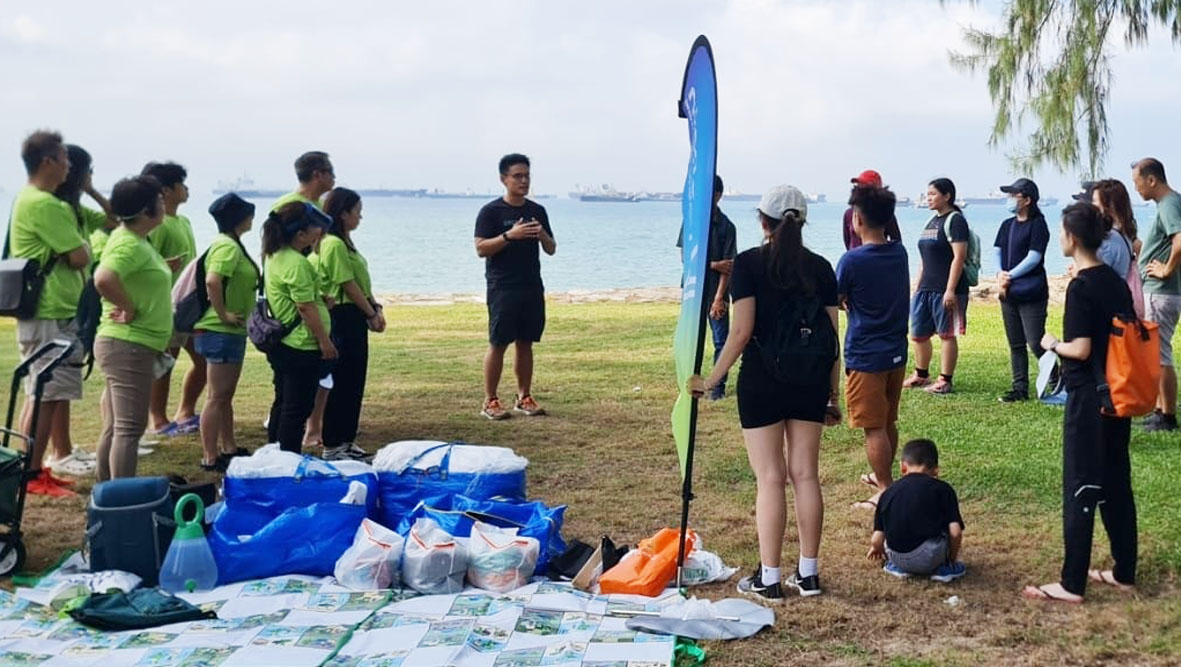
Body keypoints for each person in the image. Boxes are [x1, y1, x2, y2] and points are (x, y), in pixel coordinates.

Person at [691, 184, 841, 601]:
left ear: (763, 221)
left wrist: (712, 379)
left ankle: (770, 578)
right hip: (810, 380)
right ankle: (808, 575)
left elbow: (739, 333)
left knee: (770, 478)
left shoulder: (749, 264)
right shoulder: (822, 268)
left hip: (761, 380)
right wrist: (833, 396)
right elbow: (832, 340)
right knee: (806, 475)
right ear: (803, 222)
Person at [1023, 202, 1138, 603]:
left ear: (1071, 238)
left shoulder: (1082, 286)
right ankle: (1125, 571)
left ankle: (1072, 584)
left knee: (1081, 485)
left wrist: (1052, 343)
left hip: (1088, 398)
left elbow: (1082, 348)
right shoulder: (1114, 281)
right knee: (1116, 484)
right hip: (1118, 393)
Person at [7, 131, 90, 496]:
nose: (69, 166)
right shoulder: (45, 204)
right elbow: (80, 255)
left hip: (49, 310)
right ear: (47, 162)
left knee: (44, 392)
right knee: (43, 393)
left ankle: (35, 468)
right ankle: (31, 473)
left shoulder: (28, 199)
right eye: (64, 159)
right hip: (48, 311)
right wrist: (81, 244)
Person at [92, 175, 173, 481]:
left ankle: (106, 494)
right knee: (129, 429)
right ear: (144, 210)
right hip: (128, 345)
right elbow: (103, 278)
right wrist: (128, 307)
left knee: (116, 426)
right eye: (159, 201)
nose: (163, 205)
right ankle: (120, 501)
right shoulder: (128, 243)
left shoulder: (136, 241)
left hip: (129, 345)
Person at [836, 186, 909, 511]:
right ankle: (885, 478)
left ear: (858, 219)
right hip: (895, 351)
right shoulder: (900, 253)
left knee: (874, 426)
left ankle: (885, 489)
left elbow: (836, 298)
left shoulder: (852, 260)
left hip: (866, 355)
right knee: (887, 420)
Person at [44, 144, 114, 478]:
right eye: (89, 171)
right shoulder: (53, 208)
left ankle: (64, 449)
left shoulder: (76, 210)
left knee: (64, 384)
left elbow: (115, 219)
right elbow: (79, 257)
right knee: (50, 387)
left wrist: (91, 191)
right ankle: (57, 453)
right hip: (52, 306)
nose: (92, 176)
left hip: (69, 306)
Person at [474, 153, 557, 420]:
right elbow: (480, 248)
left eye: (527, 176)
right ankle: (491, 400)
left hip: (531, 285)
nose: (524, 181)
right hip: (502, 287)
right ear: (503, 179)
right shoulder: (491, 212)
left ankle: (524, 397)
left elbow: (551, 248)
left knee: (526, 342)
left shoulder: (537, 210)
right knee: (498, 342)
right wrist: (511, 235)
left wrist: (541, 233)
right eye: (518, 176)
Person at [270, 151, 335, 446]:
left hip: (290, 341)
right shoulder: (294, 260)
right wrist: (324, 341)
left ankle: (277, 454)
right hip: (299, 343)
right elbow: (304, 305)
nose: (319, 233)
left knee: (286, 403)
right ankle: (286, 458)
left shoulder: (284, 257)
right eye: (314, 228)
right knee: (295, 408)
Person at [317, 187, 386, 461]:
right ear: (343, 213)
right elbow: (347, 283)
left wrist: (375, 307)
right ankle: (333, 444)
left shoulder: (345, 242)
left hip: (354, 314)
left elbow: (360, 282)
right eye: (357, 212)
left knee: (355, 380)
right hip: (343, 315)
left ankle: (346, 439)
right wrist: (370, 313)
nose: (360, 217)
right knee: (344, 381)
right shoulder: (332, 243)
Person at [192, 193, 259, 471]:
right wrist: (223, 314)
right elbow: (213, 281)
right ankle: (210, 455)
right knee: (217, 396)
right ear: (239, 219)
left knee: (224, 395)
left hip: (226, 331)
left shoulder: (229, 244)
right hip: (220, 330)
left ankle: (228, 446)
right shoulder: (227, 248)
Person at [142, 162, 204, 437]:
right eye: (182, 183)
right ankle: (158, 419)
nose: (187, 188)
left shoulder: (184, 221)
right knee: (166, 362)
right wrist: (166, 265)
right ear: (166, 190)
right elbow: (143, 260)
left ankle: (185, 411)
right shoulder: (158, 225)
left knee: (204, 359)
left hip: (189, 304)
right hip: (165, 305)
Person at [903, 178, 970, 395]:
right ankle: (921, 374)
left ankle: (945, 380)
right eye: (927, 194)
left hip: (946, 288)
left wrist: (950, 290)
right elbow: (925, 257)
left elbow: (959, 257)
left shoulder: (956, 220)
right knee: (918, 333)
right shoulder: (932, 221)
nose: (928, 198)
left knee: (946, 334)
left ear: (947, 196)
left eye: (932, 194)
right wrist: (917, 285)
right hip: (925, 289)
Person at [867, 439, 966, 581]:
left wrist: (877, 548)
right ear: (936, 470)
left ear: (903, 467)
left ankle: (896, 567)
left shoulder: (888, 492)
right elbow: (955, 533)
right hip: (929, 557)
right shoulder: (943, 489)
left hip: (895, 556)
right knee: (944, 529)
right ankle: (944, 570)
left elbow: (877, 539)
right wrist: (951, 559)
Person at [676, 175, 737, 400]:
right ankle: (690, 383)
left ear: (717, 196)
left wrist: (719, 297)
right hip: (693, 292)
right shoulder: (691, 222)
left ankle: (717, 388)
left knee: (721, 341)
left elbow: (729, 267)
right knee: (692, 339)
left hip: (716, 292)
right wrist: (714, 264)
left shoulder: (727, 226)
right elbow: (686, 259)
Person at [1133, 158, 1181, 432]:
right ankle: (1161, 409)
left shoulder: (1170, 203)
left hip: (1161, 292)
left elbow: (1180, 240)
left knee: (1161, 353)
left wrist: (1166, 270)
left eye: (1137, 182)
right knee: (1157, 353)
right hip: (1158, 292)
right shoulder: (1167, 205)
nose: (1137, 188)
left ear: (1151, 180)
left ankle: (1168, 416)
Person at [993, 178, 1050, 402]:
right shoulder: (1007, 225)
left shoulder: (1038, 225)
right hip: (1008, 292)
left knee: (1035, 341)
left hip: (1031, 292)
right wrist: (1000, 274)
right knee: (1015, 343)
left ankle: (1055, 374)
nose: (1010, 199)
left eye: (1013, 195)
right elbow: (997, 250)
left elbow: (1034, 257)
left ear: (1027, 200)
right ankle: (1019, 388)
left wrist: (1010, 275)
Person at [842, 170, 902, 250]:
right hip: (855, 259)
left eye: (864, 187)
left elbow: (896, 239)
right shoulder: (849, 214)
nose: (859, 189)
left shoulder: (885, 213)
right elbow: (847, 241)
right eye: (858, 186)